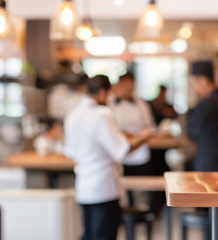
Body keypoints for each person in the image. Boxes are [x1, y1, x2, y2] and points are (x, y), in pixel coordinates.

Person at [64, 75, 153, 240]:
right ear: (103, 92)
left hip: (83, 187)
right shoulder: (102, 115)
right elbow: (122, 151)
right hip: (103, 187)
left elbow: (70, 152)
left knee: (89, 235)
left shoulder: (72, 115)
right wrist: (144, 138)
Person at [187, 60, 218, 172]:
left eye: (194, 84)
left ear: (203, 80)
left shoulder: (207, 105)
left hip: (210, 170)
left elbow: (191, 132)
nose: (194, 89)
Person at [108, 72, 155, 177]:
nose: (129, 89)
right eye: (126, 86)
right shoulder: (109, 103)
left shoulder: (141, 104)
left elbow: (150, 126)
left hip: (140, 154)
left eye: (131, 87)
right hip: (118, 154)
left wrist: (143, 135)